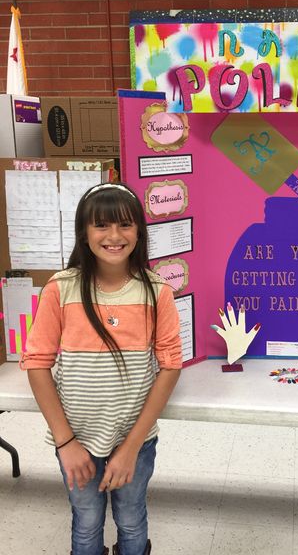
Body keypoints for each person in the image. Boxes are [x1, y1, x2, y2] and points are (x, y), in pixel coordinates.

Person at [20, 182, 182, 555]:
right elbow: (37, 362)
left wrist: (130, 447)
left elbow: (170, 367)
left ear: (139, 231)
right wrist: (66, 443)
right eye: (101, 225)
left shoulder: (157, 292)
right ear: (84, 232)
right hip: (75, 439)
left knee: (130, 516)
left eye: (125, 225)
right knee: (87, 520)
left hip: (135, 440)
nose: (114, 236)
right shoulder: (60, 289)